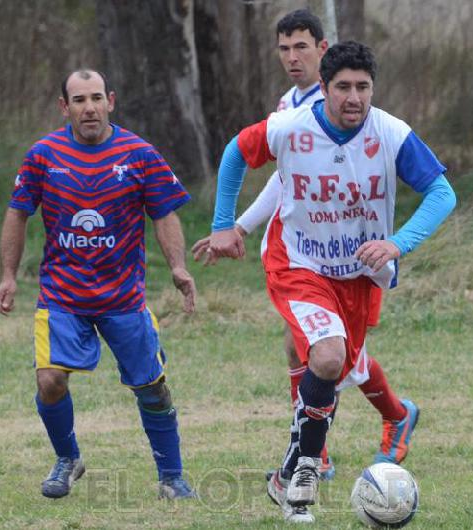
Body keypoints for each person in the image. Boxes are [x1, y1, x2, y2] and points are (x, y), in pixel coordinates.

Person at [206, 42, 456, 523]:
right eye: (343, 87)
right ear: (323, 89)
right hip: (299, 264)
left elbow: (441, 194)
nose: (354, 97)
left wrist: (397, 243)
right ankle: (302, 482)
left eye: (363, 87)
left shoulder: (391, 133)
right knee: (327, 355)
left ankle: (287, 475)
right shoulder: (290, 129)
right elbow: (237, 152)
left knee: (332, 372)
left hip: (359, 277)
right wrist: (224, 223)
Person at [192, 8, 395, 492]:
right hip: (300, 255)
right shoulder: (290, 107)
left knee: (336, 355)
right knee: (313, 349)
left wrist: (236, 224)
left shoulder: (350, 107)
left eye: (301, 47)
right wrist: (236, 225)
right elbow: (283, 181)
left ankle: (394, 413)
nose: (291, 57)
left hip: (353, 258)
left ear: (322, 51)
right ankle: (310, 456)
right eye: (283, 49)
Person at [0, 69, 198, 501]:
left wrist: (177, 268)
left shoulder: (139, 154)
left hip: (124, 297)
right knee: (49, 381)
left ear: (111, 101)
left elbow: (164, 213)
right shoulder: (43, 155)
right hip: (63, 295)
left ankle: (171, 477)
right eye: (79, 100)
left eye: (96, 98)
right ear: (64, 107)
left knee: (151, 386)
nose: (89, 107)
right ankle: (68, 459)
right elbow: (17, 212)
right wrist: (8, 276)